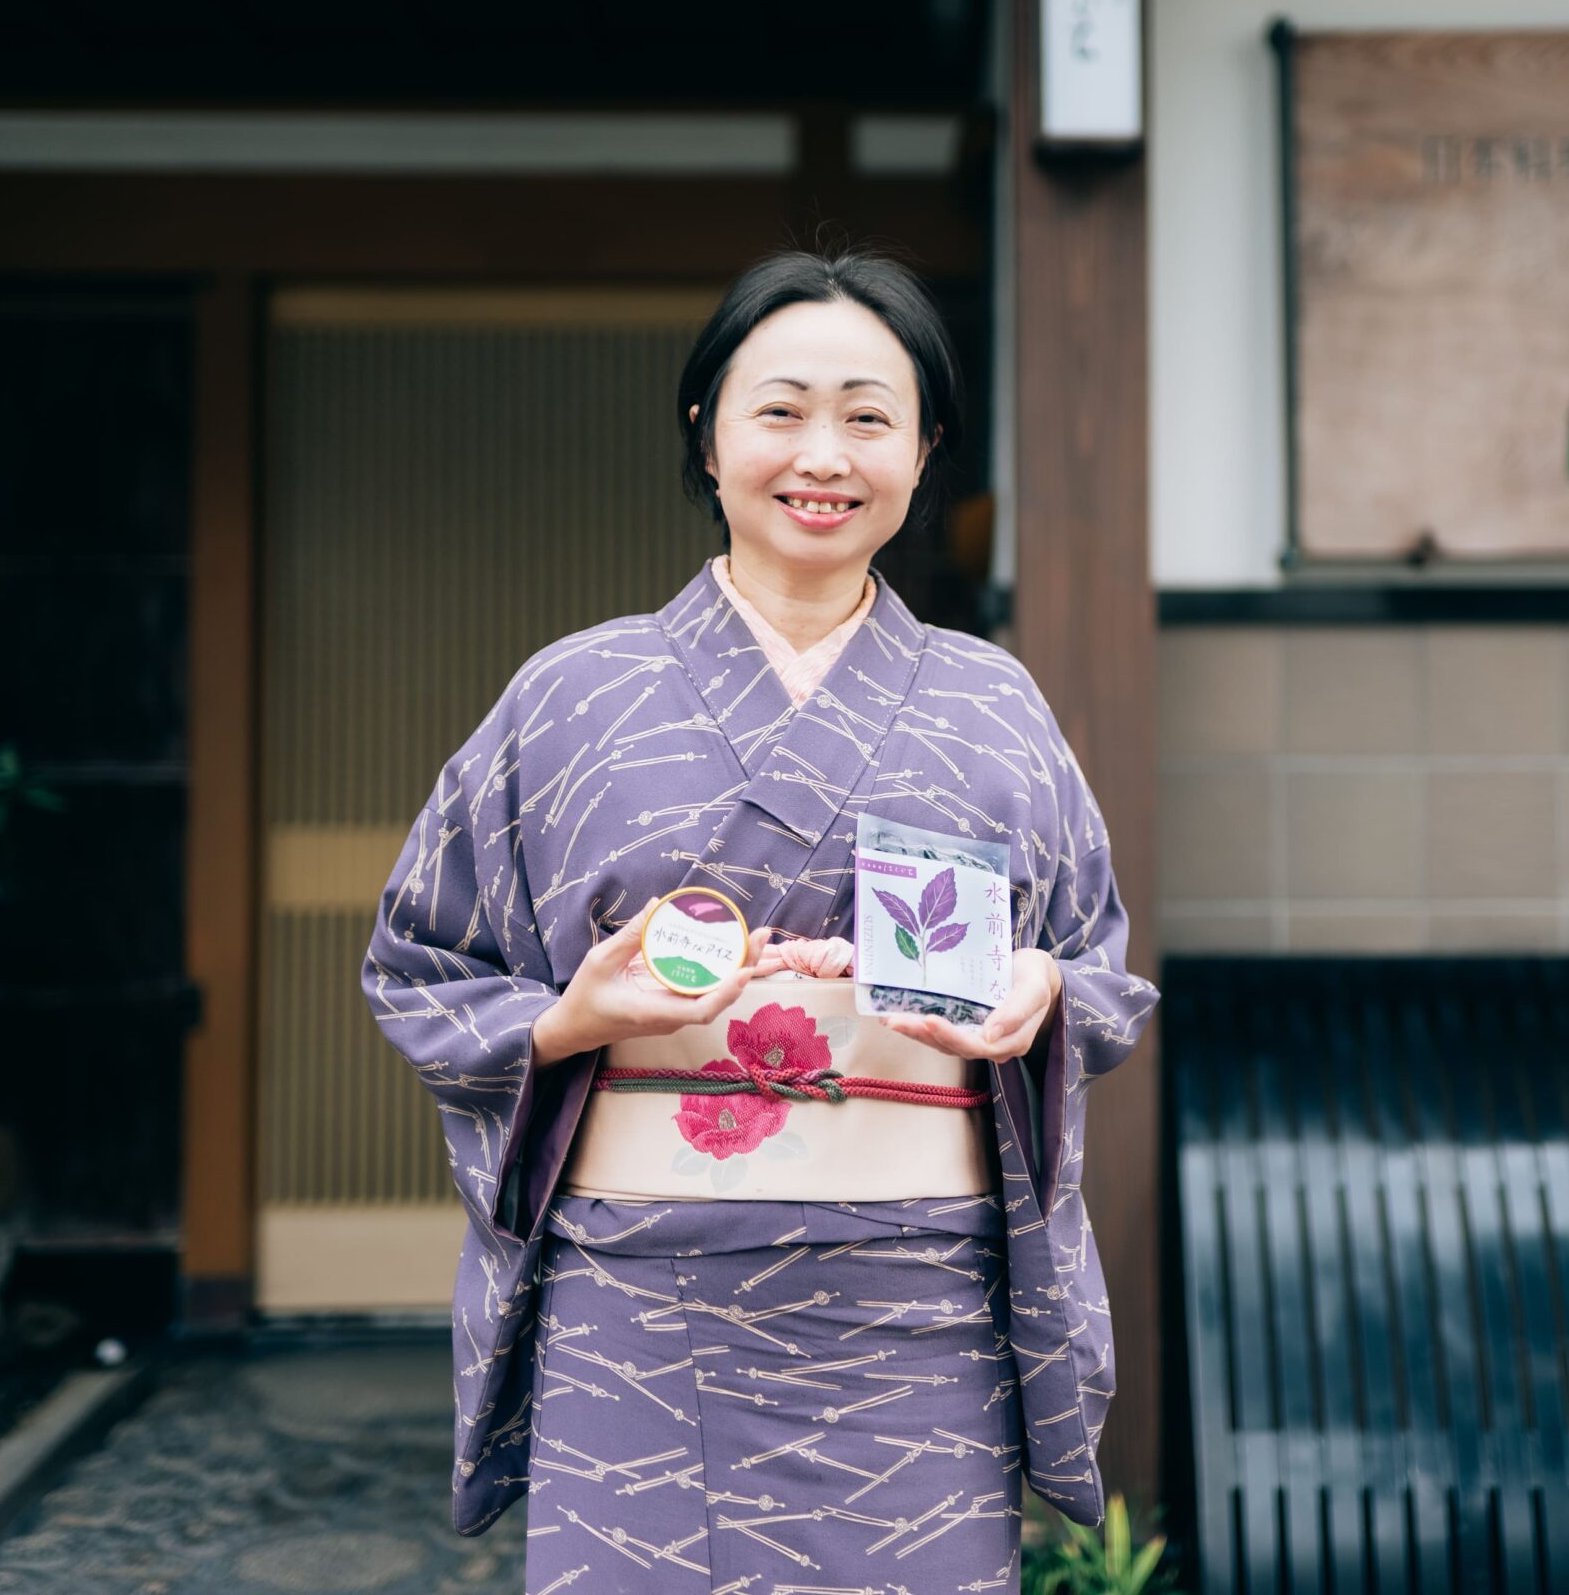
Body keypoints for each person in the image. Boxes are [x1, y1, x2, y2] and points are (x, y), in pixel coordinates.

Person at [360, 244, 1160, 1591]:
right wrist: (572, 1018)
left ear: (925, 449)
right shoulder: (573, 700)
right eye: (780, 408)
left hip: (918, 1309)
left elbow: (1103, 974)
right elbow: (418, 966)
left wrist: (1043, 998)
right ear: (708, 431)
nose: (822, 453)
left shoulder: (993, 706)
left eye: (869, 415)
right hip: (644, 1302)